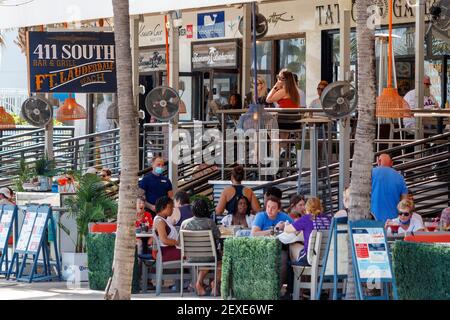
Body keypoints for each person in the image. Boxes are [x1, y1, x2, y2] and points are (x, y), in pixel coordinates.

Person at [181, 199, 222, 296]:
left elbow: (180, 243)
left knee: (206, 259)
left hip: (190, 258)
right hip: (209, 256)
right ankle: (215, 284)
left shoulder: (185, 223)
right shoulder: (209, 222)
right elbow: (218, 235)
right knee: (221, 262)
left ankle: (199, 283)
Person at [285, 197, 332, 265]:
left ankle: (296, 273)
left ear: (307, 207)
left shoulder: (307, 218)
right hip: (327, 257)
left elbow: (287, 230)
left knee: (292, 246)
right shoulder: (328, 219)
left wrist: (286, 225)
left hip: (310, 258)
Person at [371, 154, 408, 222]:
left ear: (378, 161)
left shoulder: (372, 172)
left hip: (374, 218)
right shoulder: (400, 177)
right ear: (391, 163)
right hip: (393, 220)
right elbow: (404, 201)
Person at [152, 196, 180, 262]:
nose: (172, 209)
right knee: (191, 253)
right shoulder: (160, 221)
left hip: (170, 250)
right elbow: (164, 240)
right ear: (162, 208)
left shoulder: (163, 220)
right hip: (166, 252)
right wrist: (178, 243)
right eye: (170, 207)